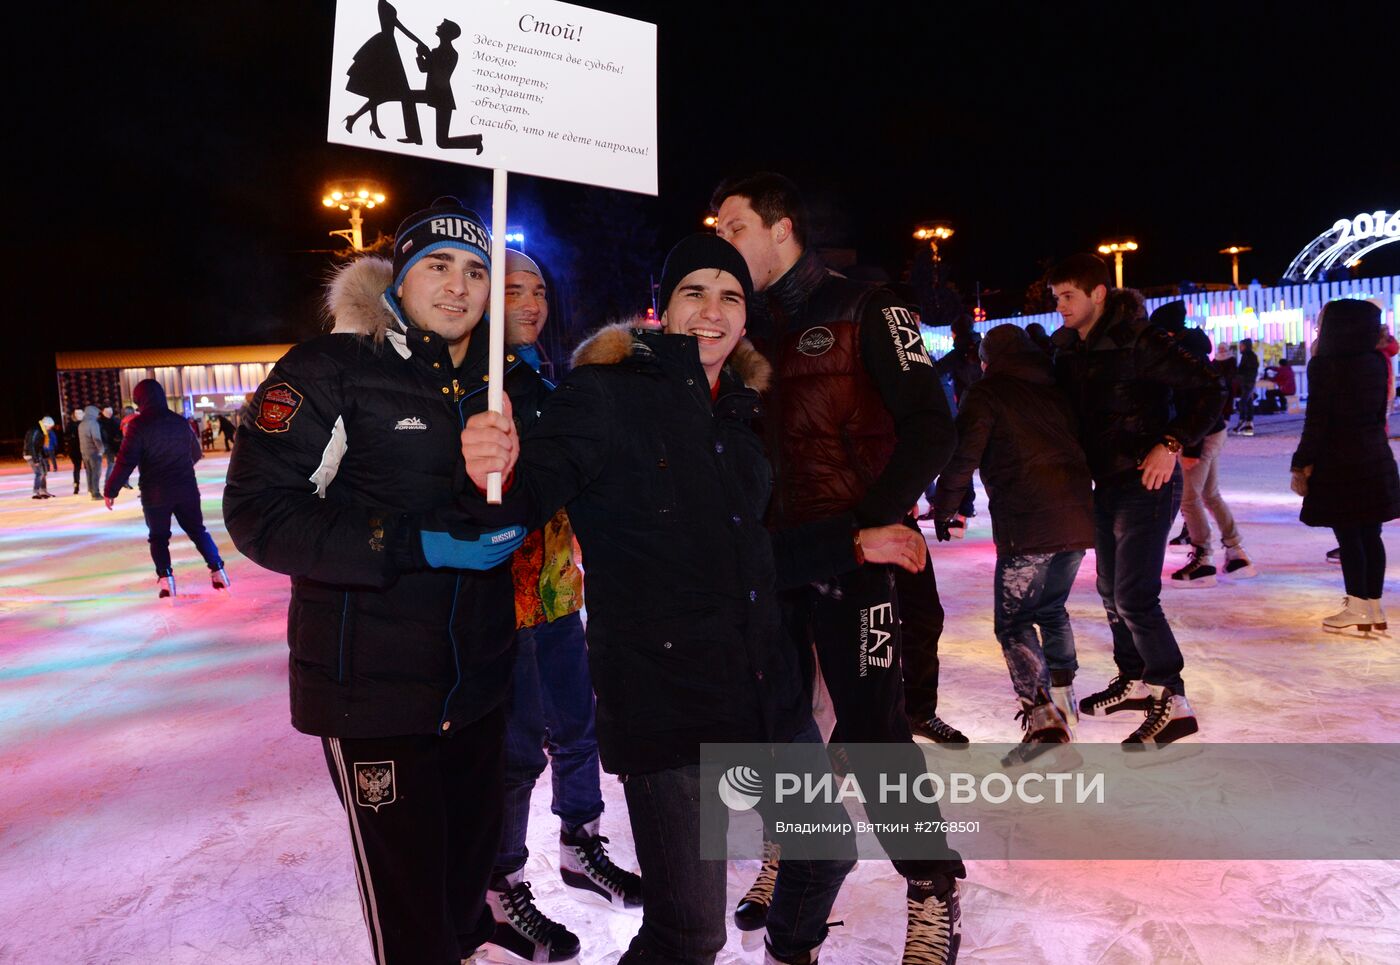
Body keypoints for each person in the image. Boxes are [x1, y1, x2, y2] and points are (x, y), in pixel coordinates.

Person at [460, 234, 938, 965]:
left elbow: (749, 557)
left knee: (824, 853)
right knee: (689, 933)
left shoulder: (742, 419)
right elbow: (516, 506)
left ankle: (789, 951)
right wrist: (490, 467)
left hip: (763, 687)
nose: (712, 311)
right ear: (663, 307)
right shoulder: (604, 396)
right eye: (695, 292)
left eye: (731, 297)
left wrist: (852, 541)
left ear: (746, 321)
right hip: (667, 702)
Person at [223, 197, 546, 965]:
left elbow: (532, 497)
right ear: (398, 276)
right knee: (411, 921)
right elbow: (258, 513)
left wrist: (511, 484)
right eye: (437, 265)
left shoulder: (499, 382)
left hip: (476, 684)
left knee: (463, 890)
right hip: (372, 691)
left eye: (476, 271)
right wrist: (413, 542)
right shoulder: (330, 368)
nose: (459, 286)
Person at [713, 173, 966, 963]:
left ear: (782, 228)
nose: (723, 241)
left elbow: (931, 423)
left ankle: (931, 888)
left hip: (856, 563)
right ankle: (791, 856)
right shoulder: (741, 327)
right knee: (779, 731)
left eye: (734, 226)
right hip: (772, 563)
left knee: (872, 730)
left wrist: (874, 521)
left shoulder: (868, 305)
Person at [483, 249, 642, 964]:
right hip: (498, 594)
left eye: (540, 289)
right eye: (514, 289)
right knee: (517, 746)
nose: (533, 301)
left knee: (578, 728)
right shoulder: (476, 384)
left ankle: (582, 845)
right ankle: (502, 880)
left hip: (556, 585)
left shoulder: (548, 379)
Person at [1048, 254, 1221, 746]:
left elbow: (1210, 390)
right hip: (1105, 482)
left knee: (1134, 595)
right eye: (1056, 297)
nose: (1060, 306)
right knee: (1109, 589)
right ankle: (1137, 678)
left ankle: (1174, 697)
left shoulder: (1143, 341)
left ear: (1098, 294)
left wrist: (1171, 443)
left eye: (1068, 296)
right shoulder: (1072, 348)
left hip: (1147, 482)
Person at [930, 325, 1094, 761]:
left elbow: (964, 454)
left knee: (1014, 622)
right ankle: (1064, 702)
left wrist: (946, 507)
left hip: (1029, 523)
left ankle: (1044, 722)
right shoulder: (1053, 390)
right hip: (1077, 518)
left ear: (989, 360)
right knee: (1051, 608)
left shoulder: (987, 393)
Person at [1290, 298, 1400, 633]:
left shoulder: (1325, 365)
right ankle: (1372, 608)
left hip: (1340, 462)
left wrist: (1301, 463)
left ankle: (1357, 606)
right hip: (1375, 456)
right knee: (1370, 533)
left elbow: (1317, 421)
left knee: (1350, 533)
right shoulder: (1377, 361)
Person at [1149, 301, 1256, 587]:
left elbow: (1197, 402)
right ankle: (1236, 552)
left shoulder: (1186, 356)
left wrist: (1191, 447)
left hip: (1202, 436)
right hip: (1211, 432)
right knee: (1209, 494)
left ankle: (1203, 559)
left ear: (1168, 333)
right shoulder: (1193, 351)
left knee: (1189, 498)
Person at [104, 380, 229, 597]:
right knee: (198, 531)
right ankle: (218, 571)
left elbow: (126, 460)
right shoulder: (180, 422)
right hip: (186, 489)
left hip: (156, 493)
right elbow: (196, 454)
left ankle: (166, 581)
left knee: (159, 537)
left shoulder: (138, 425)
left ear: (140, 399)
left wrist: (110, 490)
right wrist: (180, 466)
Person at [922, 314, 982, 535]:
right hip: (986, 409)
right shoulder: (980, 347)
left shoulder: (959, 352)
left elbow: (936, 372)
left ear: (954, 332)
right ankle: (964, 513)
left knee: (961, 463)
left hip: (966, 413)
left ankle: (962, 513)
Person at [343, 0, 423, 140]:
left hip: (386, 46)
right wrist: (419, 41)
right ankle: (364, 121)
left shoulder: (384, 4)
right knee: (380, 92)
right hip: (385, 48)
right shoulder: (384, 5)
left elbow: (398, 26)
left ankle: (366, 121)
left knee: (376, 92)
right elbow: (399, 26)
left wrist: (418, 41)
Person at [400, 20, 485, 152]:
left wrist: (427, 55)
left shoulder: (450, 53)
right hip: (434, 94)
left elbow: (439, 73)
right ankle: (413, 135)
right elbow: (424, 69)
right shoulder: (437, 52)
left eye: (442, 26)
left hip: (442, 97)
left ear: (446, 33)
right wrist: (420, 55)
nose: (438, 26)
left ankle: (475, 140)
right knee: (407, 96)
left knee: (442, 142)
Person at [1231, 338, 1259, 435]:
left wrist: (1239, 375)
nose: (1240, 347)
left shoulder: (1248, 356)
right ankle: (1248, 423)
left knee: (1243, 402)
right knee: (1248, 402)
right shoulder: (1248, 356)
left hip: (1247, 382)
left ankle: (1243, 420)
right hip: (1247, 382)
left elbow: (1247, 370)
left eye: (1241, 346)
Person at [78, 404, 105, 499]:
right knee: (96, 472)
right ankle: (96, 492)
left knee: (89, 471)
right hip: (94, 452)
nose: (98, 415)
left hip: (84, 452)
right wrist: (101, 449)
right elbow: (96, 438)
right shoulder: (93, 423)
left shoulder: (81, 424)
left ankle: (90, 489)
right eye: (97, 413)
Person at [24, 416, 55, 498]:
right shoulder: (36, 431)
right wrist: (35, 459)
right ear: (46, 424)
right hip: (30, 454)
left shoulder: (42, 431)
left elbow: (39, 446)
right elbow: (32, 446)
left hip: (37, 454)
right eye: (49, 427)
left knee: (43, 472)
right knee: (39, 473)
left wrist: (45, 456)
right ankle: (35, 492)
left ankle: (43, 491)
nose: (50, 429)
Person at [64, 408, 84, 495]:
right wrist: (71, 438)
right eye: (77, 413)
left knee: (89, 468)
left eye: (81, 413)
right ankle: (76, 485)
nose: (79, 415)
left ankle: (92, 486)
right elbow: (66, 437)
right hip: (75, 450)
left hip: (84, 449)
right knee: (77, 468)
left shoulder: (85, 424)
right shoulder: (71, 425)